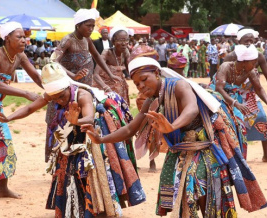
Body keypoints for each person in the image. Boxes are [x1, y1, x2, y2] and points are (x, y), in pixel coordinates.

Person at [81, 53, 267, 217]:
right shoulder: (151, 101)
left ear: (157, 73)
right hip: (181, 150)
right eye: (137, 84)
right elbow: (130, 129)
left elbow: (192, 109)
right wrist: (101, 139)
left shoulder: (179, 85)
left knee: (199, 188)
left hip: (206, 147)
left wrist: (171, 126)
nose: (141, 86)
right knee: (185, 196)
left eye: (144, 79)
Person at [0, 62, 146, 217]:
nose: (59, 101)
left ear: (68, 88)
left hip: (95, 127)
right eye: (54, 99)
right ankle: (75, 205)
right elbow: (30, 108)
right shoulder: (54, 94)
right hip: (72, 125)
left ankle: (102, 205)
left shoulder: (82, 95)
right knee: (68, 163)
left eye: (61, 96)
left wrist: (76, 122)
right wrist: (8, 117)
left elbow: (89, 118)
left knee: (93, 165)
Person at [0, 21, 42, 207]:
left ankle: (2, 188)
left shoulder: (19, 56)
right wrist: (25, 93)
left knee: (4, 142)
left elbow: (35, 76)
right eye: (19, 37)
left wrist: (51, 91)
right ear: (7, 39)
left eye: (24, 37)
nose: (24, 40)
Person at [47, 8, 121, 162]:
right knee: (65, 124)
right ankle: (60, 161)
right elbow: (53, 60)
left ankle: (80, 160)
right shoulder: (68, 40)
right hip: (68, 91)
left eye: (93, 26)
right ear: (78, 25)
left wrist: (110, 73)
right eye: (88, 26)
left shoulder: (87, 40)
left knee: (83, 122)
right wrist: (73, 75)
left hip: (85, 89)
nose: (91, 29)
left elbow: (97, 56)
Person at [211, 44, 267, 160]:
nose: (255, 65)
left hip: (233, 99)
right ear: (244, 61)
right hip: (216, 97)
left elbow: (259, 89)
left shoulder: (250, 71)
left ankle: (239, 159)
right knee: (220, 123)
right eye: (253, 62)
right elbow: (219, 88)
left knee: (240, 126)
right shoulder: (226, 66)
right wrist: (235, 103)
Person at [224, 28, 267, 161]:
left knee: (262, 120)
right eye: (245, 41)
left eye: (251, 41)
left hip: (251, 96)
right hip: (232, 97)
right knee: (232, 125)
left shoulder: (259, 56)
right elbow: (220, 81)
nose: (248, 43)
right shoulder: (230, 57)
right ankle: (235, 158)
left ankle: (266, 155)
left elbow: (262, 83)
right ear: (238, 41)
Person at [93, 26, 131, 105]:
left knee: (120, 108)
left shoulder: (126, 52)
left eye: (126, 40)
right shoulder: (107, 53)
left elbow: (130, 70)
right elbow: (96, 75)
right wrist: (106, 88)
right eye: (120, 40)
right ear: (113, 41)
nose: (124, 43)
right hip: (103, 85)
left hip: (119, 84)